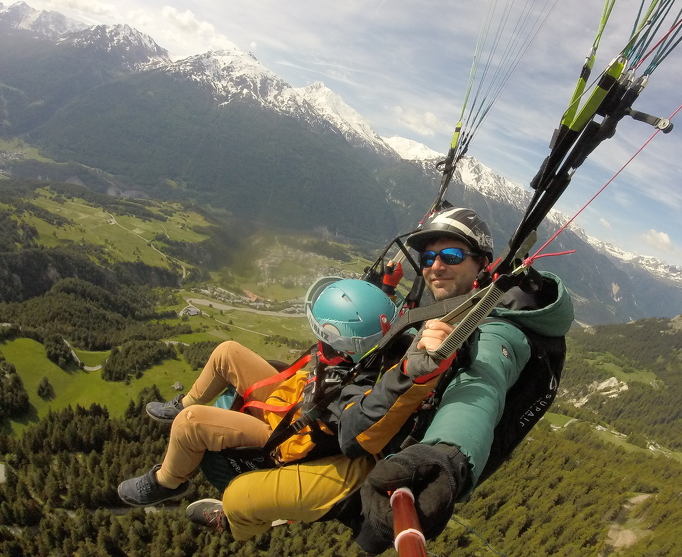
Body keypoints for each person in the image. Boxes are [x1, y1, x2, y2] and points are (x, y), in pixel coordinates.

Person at [188, 207, 573, 551]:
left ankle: (237, 523)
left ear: (482, 263)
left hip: (376, 455)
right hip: (371, 407)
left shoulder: (495, 331)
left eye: (451, 256)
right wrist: (387, 288)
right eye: (429, 257)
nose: (435, 266)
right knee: (279, 376)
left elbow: (479, 391)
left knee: (240, 497)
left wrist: (447, 456)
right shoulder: (454, 298)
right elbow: (405, 319)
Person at [116, 277, 398, 509]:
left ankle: (166, 482)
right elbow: (376, 326)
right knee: (227, 352)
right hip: (294, 400)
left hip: (283, 436)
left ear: (344, 341)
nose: (319, 339)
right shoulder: (370, 351)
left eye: (324, 335)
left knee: (190, 424)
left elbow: (355, 422)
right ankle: (185, 401)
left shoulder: (356, 394)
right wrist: (386, 288)